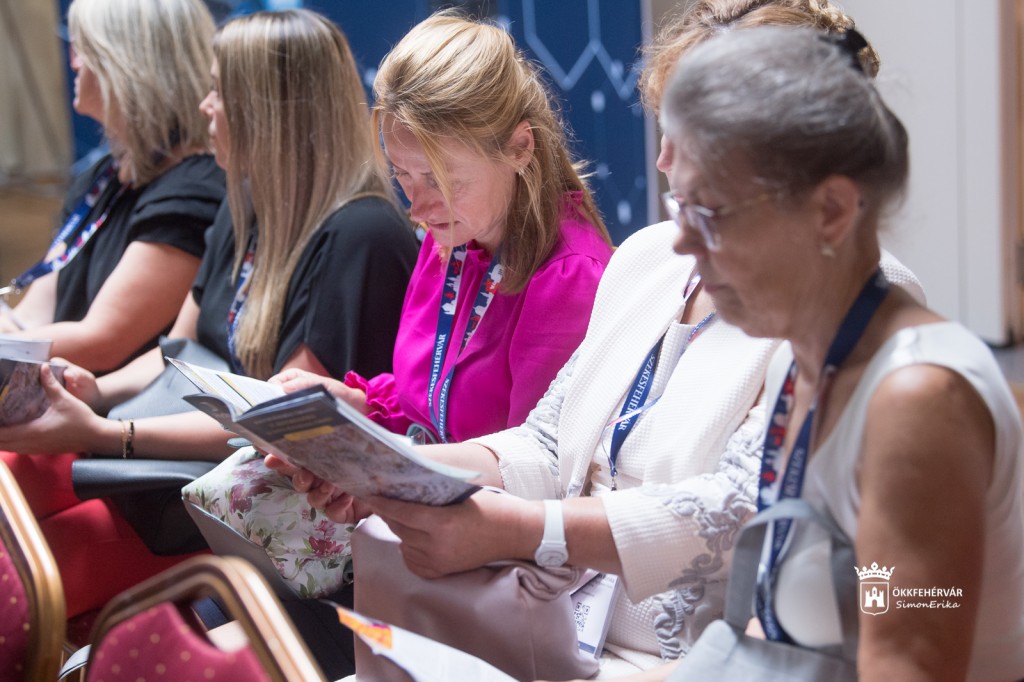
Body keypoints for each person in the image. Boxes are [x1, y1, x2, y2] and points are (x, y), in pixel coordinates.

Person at [273, 3, 924, 678]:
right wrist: (389, 472)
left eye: (692, 137)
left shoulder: (861, 308)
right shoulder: (651, 258)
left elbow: (737, 511)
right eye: (665, 128)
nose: (663, 160)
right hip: (558, 632)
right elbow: (548, 440)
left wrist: (509, 529)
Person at [0, 8, 418, 619]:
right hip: (180, 474)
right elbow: (175, 351)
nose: (205, 107)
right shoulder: (244, 201)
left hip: (243, 509)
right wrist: (95, 391)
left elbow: (280, 428)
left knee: (37, 573)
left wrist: (107, 433)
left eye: (219, 91)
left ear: (267, 112)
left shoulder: (362, 235)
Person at [660, 25, 1024, 680]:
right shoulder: (796, 364)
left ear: (831, 210)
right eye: (679, 206)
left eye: (708, 213)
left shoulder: (918, 401)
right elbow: (784, 634)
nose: (681, 243)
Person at [0, 0, 224, 373]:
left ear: (125, 64)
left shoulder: (195, 190)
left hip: (119, 403)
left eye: (82, 48)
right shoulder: (104, 174)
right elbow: (33, 318)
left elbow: (101, 342)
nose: (73, 62)